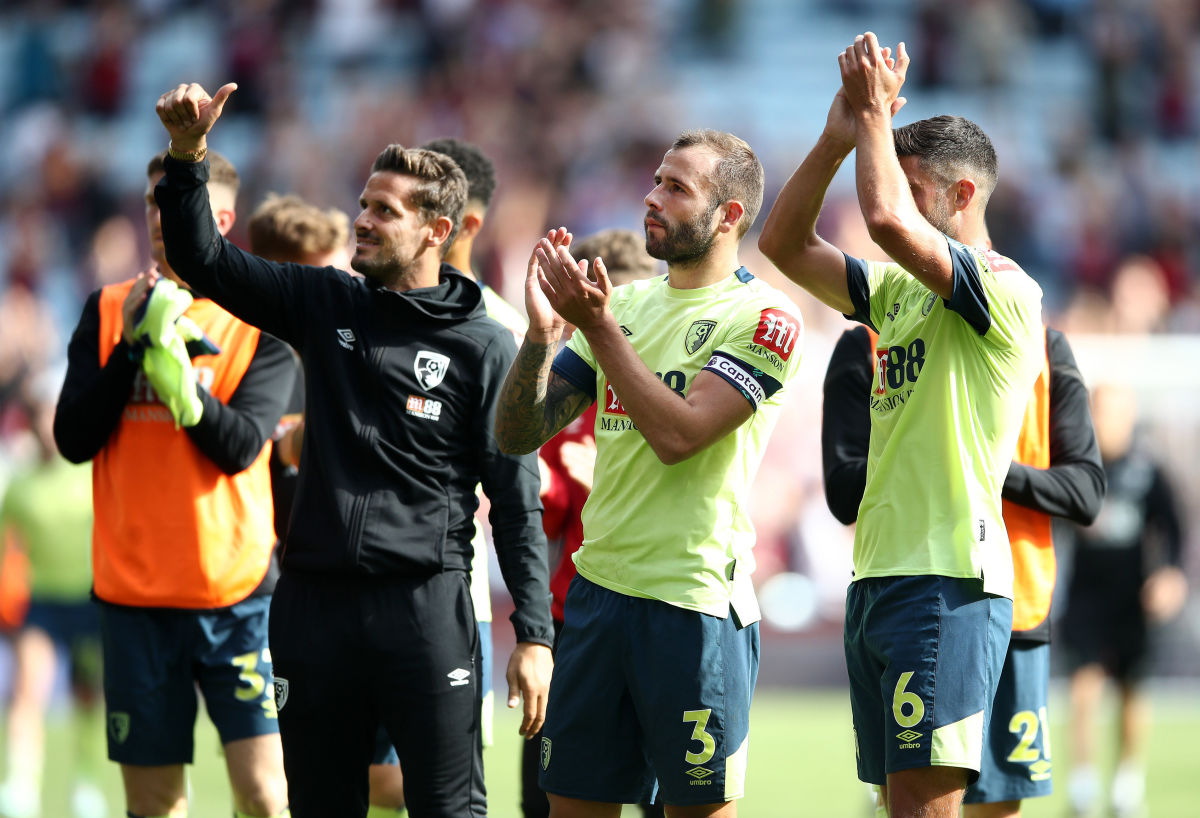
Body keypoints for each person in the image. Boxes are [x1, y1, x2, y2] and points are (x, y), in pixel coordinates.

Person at [152, 82, 554, 818]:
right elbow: (201, 258)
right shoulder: (324, 301)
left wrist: (534, 635)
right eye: (364, 204)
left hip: (425, 611)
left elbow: (515, 498)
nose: (362, 220)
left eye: (385, 211)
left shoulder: (486, 346)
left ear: (436, 231)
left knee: (449, 810)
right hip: (312, 610)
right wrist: (187, 157)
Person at [758, 33, 1044, 818]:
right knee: (897, 805)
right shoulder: (897, 294)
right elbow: (782, 244)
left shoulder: (1005, 289)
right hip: (879, 576)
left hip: (947, 580)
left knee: (922, 808)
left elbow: (883, 218)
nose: (899, 202)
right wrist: (836, 137)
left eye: (920, 190)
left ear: (962, 194)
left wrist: (875, 115)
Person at [497, 128, 805, 817]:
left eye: (676, 187)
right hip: (596, 598)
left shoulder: (765, 315)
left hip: (692, 605)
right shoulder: (630, 307)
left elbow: (679, 436)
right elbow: (517, 433)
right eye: (655, 180)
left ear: (728, 215)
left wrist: (598, 328)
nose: (652, 197)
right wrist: (543, 336)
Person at [53, 149, 294, 818]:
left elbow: (239, 448)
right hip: (134, 597)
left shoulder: (260, 321)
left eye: (177, 202)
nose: (161, 216)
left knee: (265, 794)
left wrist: (179, 382)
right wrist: (134, 347)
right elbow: (73, 439)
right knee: (155, 803)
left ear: (222, 219)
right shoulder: (107, 309)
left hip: (236, 597)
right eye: (153, 202)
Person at [821, 322, 1105, 818]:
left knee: (996, 805)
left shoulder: (1042, 343)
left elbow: (1085, 492)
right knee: (911, 801)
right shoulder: (867, 342)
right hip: (906, 602)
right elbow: (843, 491)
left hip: (1016, 610)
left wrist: (978, 460)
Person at [515, 228, 661, 818]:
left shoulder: (668, 389)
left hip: (657, 606)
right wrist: (544, 486)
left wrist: (601, 476)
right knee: (546, 794)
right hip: (571, 614)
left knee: (663, 794)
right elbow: (545, 517)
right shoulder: (571, 399)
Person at [1060, 383, 1187, 818]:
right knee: (1083, 688)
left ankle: (1126, 786)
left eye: (1114, 413)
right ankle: (1082, 788)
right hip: (1086, 598)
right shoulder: (1075, 466)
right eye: (1099, 412)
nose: (1106, 421)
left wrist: (1169, 575)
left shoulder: (1147, 469)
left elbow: (1173, 526)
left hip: (1133, 601)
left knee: (1133, 692)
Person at [0, 377, 107, 818]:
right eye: (39, 418)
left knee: (88, 696)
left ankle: (86, 785)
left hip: (87, 603)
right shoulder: (20, 485)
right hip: (41, 603)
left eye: (53, 417)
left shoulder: (90, 470)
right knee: (28, 689)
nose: (47, 427)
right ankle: (20, 788)